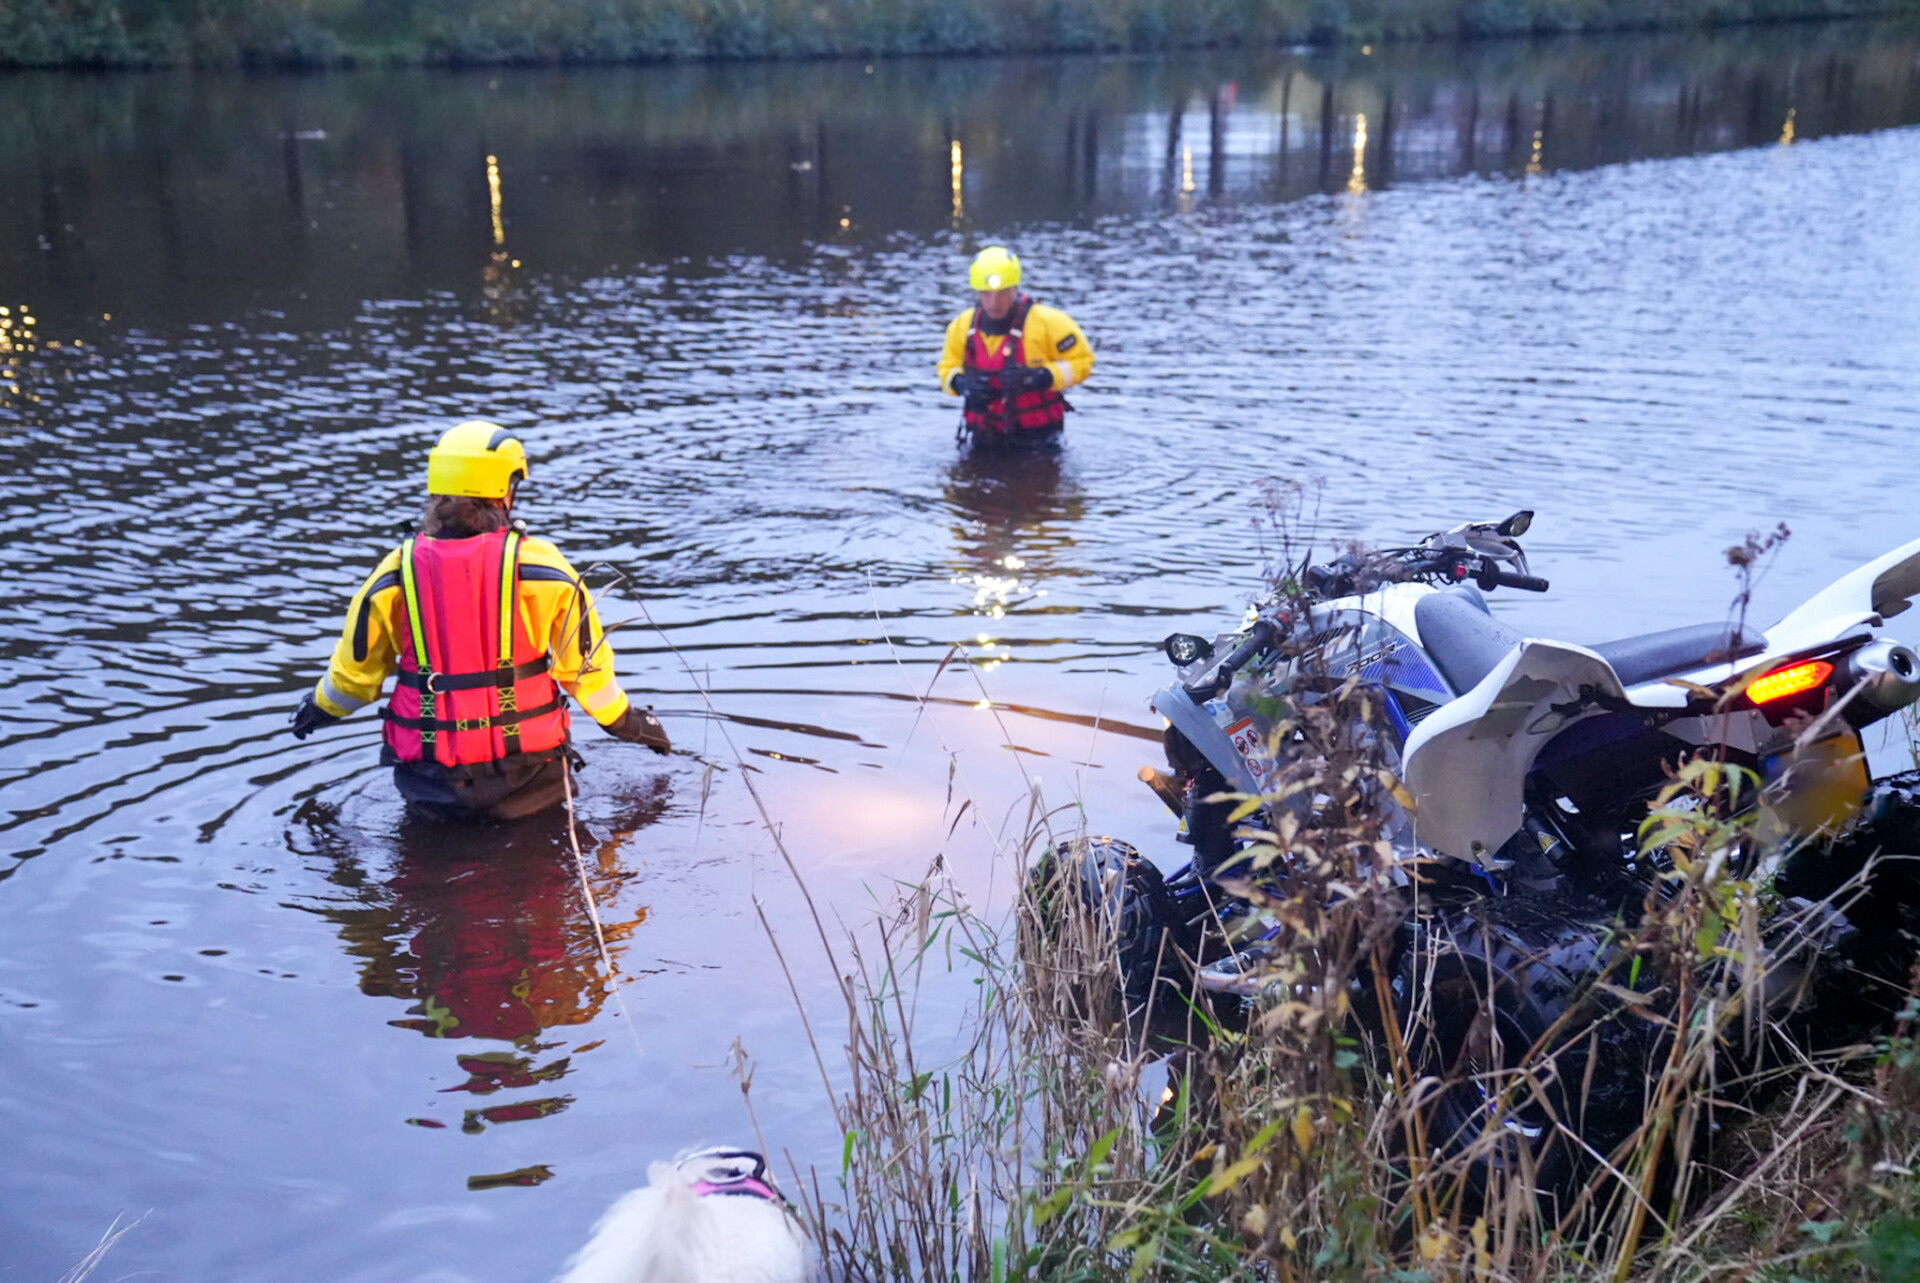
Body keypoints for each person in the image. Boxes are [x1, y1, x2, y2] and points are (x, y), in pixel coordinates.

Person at [289, 420, 670, 820]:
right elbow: (585, 672)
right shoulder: (545, 568)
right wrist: (632, 724)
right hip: (530, 777)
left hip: (431, 783)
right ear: (506, 490)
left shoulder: (393, 574)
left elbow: (354, 680)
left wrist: (315, 709)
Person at [937, 246, 1094, 448]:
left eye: (1002, 293)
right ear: (977, 292)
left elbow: (1083, 362)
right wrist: (960, 383)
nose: (994, 302)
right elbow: (946, 368)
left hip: (1039, 438)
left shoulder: (1049, 323)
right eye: (987, 294)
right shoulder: (961, 326)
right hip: (983, 436)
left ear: (1015, 288)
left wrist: (1043, 376)